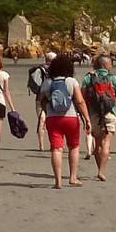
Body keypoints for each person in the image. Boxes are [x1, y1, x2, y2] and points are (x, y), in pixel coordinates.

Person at [37, 54, 87, 189]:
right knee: (74, 146)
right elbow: (80, 101)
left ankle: (58, 181)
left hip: (53, 119)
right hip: (71, 117)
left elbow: (41, 101)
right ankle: (73, 177)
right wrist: (87, 119)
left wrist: (47, 112)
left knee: (56, 149)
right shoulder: (71, 81)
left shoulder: (47, 82)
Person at [80, 54, 116, 181]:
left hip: (94, 113)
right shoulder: (113, 78)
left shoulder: (88, 78)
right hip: (110, 112)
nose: (111, 65)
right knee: (106, 142)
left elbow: (81, 97)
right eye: (110, 63)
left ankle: (99, 169)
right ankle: (102, 171)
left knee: (97, 143)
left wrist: (84, 114)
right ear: (106, 65)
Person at [26, 52, 54, 149]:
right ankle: (52, 144)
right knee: (52, 122)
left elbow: (36, 83)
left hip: (40, 98)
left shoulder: (39, 69)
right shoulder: (57, 70)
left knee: (42, 120)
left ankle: (41, 145)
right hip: (52, 99)